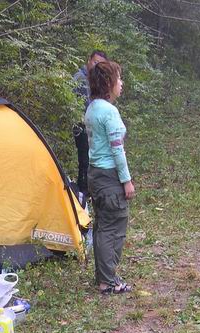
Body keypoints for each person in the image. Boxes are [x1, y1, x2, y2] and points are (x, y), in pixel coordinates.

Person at [84, 60, 135, 294]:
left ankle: (104, 276)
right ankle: (107, 282)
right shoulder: (108, 111)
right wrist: (126, 180)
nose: (121, 83)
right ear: (108, 83)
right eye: (119, 78)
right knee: (113, 226)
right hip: (109, 175)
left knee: (103, 226)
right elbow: (117, 150)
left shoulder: (92, 108)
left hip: (95, 174)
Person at [72, 50, 107, 200]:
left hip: (92, 127)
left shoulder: (95, 80)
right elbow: (84, 106)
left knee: (91, 157)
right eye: (95, 62)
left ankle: (89, 189)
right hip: (82, 127)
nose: (97, 65)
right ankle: (83, 192)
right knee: (84, 158)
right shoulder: (80, 78)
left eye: (100, 64)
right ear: (89, 60)